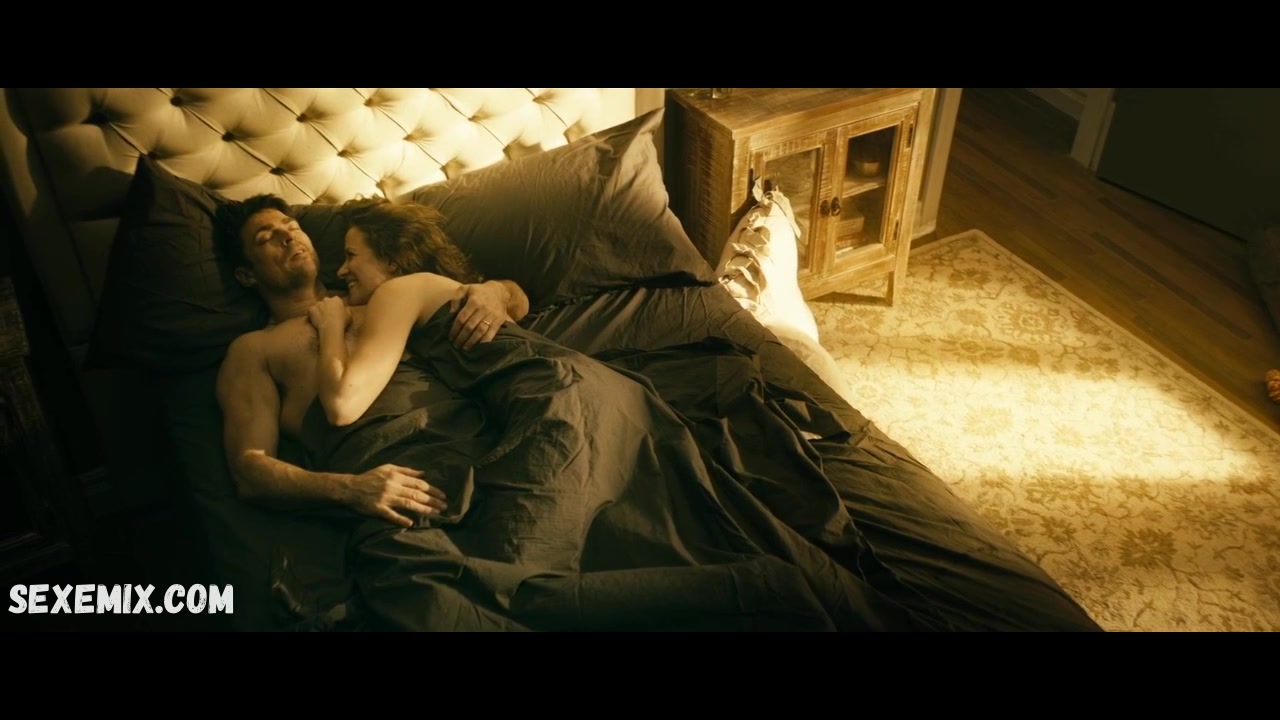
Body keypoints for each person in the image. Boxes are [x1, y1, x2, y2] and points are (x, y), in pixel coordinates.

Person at [213, 194, 529, 528]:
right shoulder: (254, 349)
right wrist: (351, 489)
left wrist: (495, 291)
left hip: (486, 451)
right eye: (266, 238)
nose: (287, 236)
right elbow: (250, 472)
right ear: (246, 275)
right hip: (400, 490)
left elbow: (516, 303)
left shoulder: (377, 291)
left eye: (292, 227)